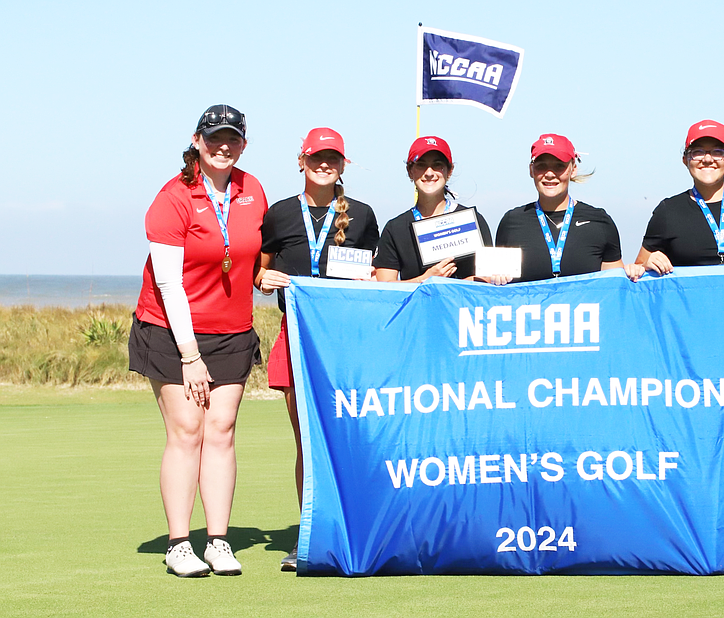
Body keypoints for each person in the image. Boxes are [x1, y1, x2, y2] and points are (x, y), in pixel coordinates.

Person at [128, 105, 267, 577]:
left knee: (221, 431)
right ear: (197, 141)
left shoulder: (253, 190)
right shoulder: (173, 197)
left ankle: (219, 540)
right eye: (214, 138)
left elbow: (251, 255)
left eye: (232, 138)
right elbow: (169, 284)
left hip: (232, 330)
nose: (223, 146)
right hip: (172, 332)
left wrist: (266, 277)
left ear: (243, 144)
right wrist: (190, 356)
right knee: (187, 430)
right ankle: (179, 544)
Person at [254, 127, 379, 571]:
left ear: (343, 165)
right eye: (316, 157)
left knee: (350, 436)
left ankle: (355, 529)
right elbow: (260, 271)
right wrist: (261, 281)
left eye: (333, 158)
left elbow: (376, 278)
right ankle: (308, 534)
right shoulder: (280, 213)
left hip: (346, 342)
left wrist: (367, 282)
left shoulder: (362, 215)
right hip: (297, 337)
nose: (324, 164)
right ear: (301, 161)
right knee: (306, 442)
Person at [636, 120, 724, 279]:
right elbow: (638, 269)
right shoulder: (668, 211)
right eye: (697, 152)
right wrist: (647, 264)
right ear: (685, 160)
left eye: (718, 152)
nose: (708, 159)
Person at [495, 134, 643, 282]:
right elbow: (494, 284)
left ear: (573, 170)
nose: (549, 174)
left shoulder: (599, 221)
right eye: (541, 166)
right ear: (531, 170)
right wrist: (494, 279)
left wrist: (633, 272)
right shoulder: (512, 222)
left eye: (559, 166)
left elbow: (615, 286)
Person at [374, 136, 492, 282]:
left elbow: (488, 278)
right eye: (421, 165)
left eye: (437, 165)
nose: (429, 173)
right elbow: (385, 289)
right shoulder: (395, 229)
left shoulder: (474, 222)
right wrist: (426, 279)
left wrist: (449, 285)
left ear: (449, 171)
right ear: (410, 171)